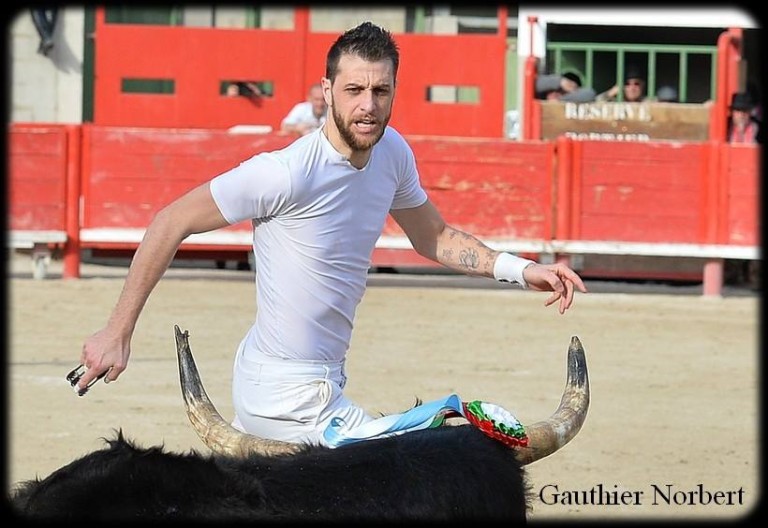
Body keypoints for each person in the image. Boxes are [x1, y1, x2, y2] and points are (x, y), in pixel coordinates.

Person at [77, 22, 587, 448]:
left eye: (380, 91)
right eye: (354, 90)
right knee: (451, 443)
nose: (367, 105)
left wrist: (523, 270)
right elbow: (170, 220)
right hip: (279, 395)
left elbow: (432, 235)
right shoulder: (286, 172)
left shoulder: (392, 155)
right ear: (327, 92)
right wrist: (117, 331)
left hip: (325, 388)